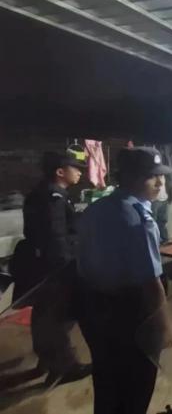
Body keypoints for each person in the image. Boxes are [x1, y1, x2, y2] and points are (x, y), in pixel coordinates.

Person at [76, 147, 172, 414]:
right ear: (129, 177)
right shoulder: (137, 219)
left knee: (107, 383)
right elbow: (150, 281)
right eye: (151, 176)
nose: (160, 182)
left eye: (162, 175)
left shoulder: (96, 209)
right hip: (130, 315)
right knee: (135, 388)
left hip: (94, 309)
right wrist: (163, 325)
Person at [21, 150, 91, 385]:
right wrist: (67, 268)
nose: (79, 172)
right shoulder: (54, 197)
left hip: (42, 265)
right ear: (60, 172)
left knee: (45, 315)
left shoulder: (39, 194)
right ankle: (64, 367)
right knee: (60, 316)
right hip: (57, 269)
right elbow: (56, 237)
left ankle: (47, 359)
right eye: (75, 168)